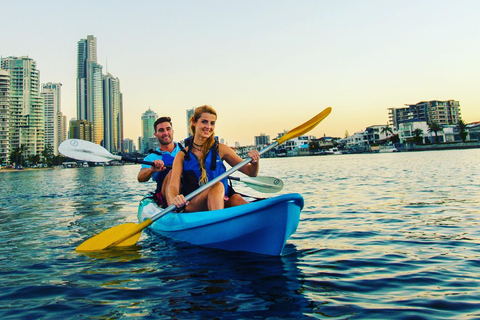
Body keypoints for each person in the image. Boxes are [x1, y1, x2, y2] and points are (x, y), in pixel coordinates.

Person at [166, 105, 260, 212]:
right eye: (204, 122)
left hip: (221, 200)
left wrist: (255, 162)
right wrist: (175, 198)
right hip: (194, 205)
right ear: (194, 122)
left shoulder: (221, 149)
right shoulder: (182, 155)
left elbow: (251, 172)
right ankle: (218, 223)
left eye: (212, 123)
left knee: (236, 199)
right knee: (217, 185)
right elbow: (173, 186)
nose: (208, 126)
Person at [137, 116, 182, 206]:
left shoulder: (185, 151)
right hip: (166, 196)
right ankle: (174, 208)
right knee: (171, 173)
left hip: (188, 191)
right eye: (161, 130)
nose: (165, 133)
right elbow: (140, 178)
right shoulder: (151, 158)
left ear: (172, 131)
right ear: (156, 135)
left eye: (168, 129)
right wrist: (151, 170)